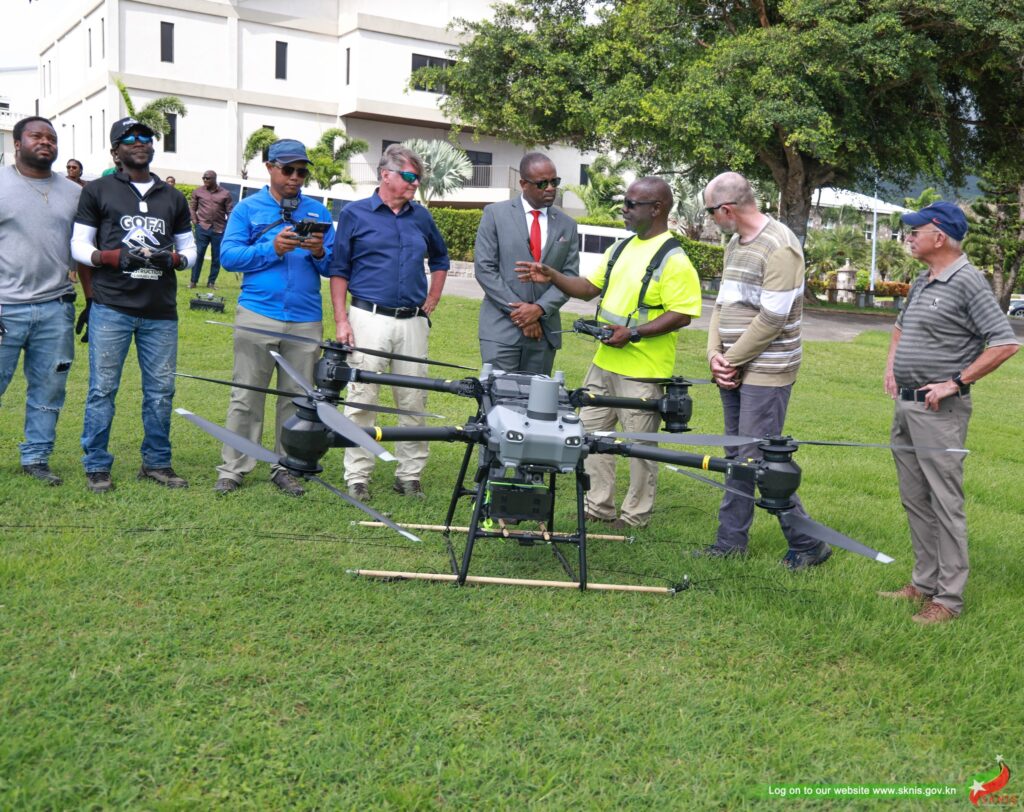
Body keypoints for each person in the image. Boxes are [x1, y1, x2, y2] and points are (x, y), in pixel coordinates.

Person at [517, 176, 701, 528]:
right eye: (625, 202)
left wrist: (632, 333)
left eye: (632, 204)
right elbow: (587, 288)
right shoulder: (621, 248)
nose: (624, 209)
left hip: (643, 371)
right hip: (603, 364)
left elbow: (683, 313)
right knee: (589, 435)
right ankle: (598, 506)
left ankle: (635, 516)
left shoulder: (674, 259)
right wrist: (552, 274)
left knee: (639, 447)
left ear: (657, 208)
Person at [879, 201, 1019, 624]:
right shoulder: (925, 279)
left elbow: (1005, 343)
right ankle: (923, 583)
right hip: (907, 404)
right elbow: (901, 326)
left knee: (944, 502)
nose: (908, 236)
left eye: (915, 230)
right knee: (915, 499)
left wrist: (955, 382)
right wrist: (891, 366)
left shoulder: (969, 281)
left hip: (940, 411)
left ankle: (949, 599)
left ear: (938, 236)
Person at [698, 172, 829, 569]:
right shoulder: (735, 244)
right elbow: (721, 305)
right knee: (737, 455)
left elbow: (773, 319)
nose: (710, 221)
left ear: (726, 209)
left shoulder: (781, 248)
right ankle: (730, 542)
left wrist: (731, 359)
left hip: (768, 371)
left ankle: (809, 544)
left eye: (710, 213)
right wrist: (713, 356)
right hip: (734, 367)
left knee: (758, 461)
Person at [70, 116, 196, 493]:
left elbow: (189, 247)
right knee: (102, 389)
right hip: (113, 306)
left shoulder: (172, 197)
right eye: (129, 137)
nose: (139, 141)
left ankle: (156, 462)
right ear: (116, 150)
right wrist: (109, 258)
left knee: (160, 391)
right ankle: (96, 465)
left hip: (160, 310)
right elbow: (78, 245)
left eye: (145, 136)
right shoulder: (98, 190)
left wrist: (175, 261)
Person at [214, 139, 335, 497]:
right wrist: (273, 249)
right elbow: (229, 257)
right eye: (289, 170)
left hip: (305, 318)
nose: (296, 178)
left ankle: (287, 467)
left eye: (302, 171)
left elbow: (332, 266)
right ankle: (233, 467)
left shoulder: (319, 212)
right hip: (258, 313)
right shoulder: (247, 209)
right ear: (270, 167)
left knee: (296, 398)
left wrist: (318, 253)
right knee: (246, 396)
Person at [329, 143, 449, 501]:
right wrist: (341, 321)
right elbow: (339, 270)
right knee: (362, 399)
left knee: (412, 401)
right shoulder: (355, 214)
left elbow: (440, 259)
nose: (415, 183)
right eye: (410, 176)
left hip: (412, 321)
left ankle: (409, 475)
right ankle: (357, 476)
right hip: (367, 317)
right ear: (386, 175)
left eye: (418, 178)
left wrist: (434, 298)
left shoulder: (421, 217)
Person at [0, 117, 82, 485]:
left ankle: (36, 458)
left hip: (56, 307)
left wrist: (91, 297)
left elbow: (82, 250)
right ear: (17, 143)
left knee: (50, 388)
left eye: (51, 137)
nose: (45, 142)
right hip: (5, 306)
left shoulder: (74, 192)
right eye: (37, 136)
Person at [474, 152, 579, 374]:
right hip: (501, 332)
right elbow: (485, 270)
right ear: (523, 184)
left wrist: (539, 309)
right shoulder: (494, 214)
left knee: (536, 404)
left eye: (554, 182)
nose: (550, 188)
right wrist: (523, 315)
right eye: (542, 183)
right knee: (498, 402)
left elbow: (569, 276)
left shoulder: (567, 225)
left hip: (544, 333)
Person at [189, 169, 234, 289]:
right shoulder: (198, 191)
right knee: (198, 255)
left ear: (214, 179)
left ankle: (211, 283)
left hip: (219, 229)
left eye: (207, 178)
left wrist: (228, 226)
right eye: (203, 178)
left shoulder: (225, 193)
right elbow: (192, 208)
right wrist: (195, 221)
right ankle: (193, 281)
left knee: (216, 257)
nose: (205, 180)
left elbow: (230, 211)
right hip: (202, 228)